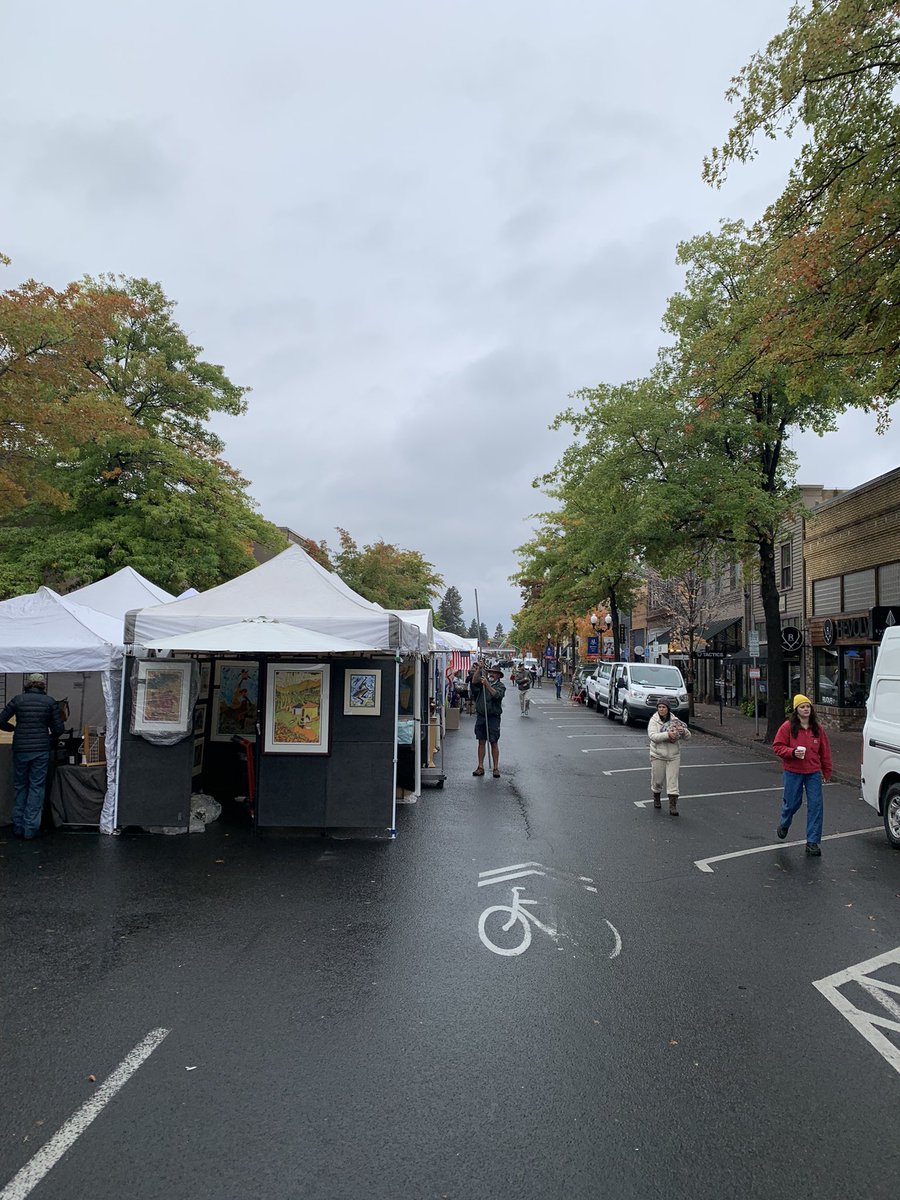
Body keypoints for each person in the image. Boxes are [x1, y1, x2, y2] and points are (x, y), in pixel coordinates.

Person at [0, 672, 65, 839]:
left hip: (21, 747)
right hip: (41, 749)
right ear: (43, 685)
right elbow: (59, 729)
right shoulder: (50, 702)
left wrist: (12, 729)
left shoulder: (18, 699)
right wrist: (49, 735)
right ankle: (30, 828)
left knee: (20, 786)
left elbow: (0, 720)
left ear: (28, 684)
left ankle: (18, 826)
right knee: (36, 787)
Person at [773, 694, 833, 856]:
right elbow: (777, 746)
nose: (806, 709)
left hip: (813, 772)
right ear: (796, 710)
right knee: (792, 803)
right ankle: (785, 823)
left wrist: (826, 770)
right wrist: (792, 752)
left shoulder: (817, 729)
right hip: (793, 771)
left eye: (808, 707)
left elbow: (825, 751)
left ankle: (812, 842)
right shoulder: (787, 727)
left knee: (816, 806)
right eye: (802, 707)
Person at [647, 700, 691, 815]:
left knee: (673, 781)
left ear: (668, 709)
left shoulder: (675, 720)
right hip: (658, 754)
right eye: (659, 707)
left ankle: (673, 805)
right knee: (657, 780)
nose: (661, 709)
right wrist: (667, 735)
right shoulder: (654, 720)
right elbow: (652, 736)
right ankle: (656, 796)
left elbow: (687, 736)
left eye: (663, 707)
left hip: (673, 755)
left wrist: (683, 731)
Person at [471, 661, 506, 778]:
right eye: (490, 672)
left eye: (494, 673)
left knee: (493, 741)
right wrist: (479, 669)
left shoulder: (500, 686)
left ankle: (495, 768)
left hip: (493, 717)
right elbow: (474, 681)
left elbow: (497, 695)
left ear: (499, 676)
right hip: (481, 715)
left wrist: (487, 685)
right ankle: (480, 766)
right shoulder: (483, 681)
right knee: (481, 741)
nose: (492, 674)